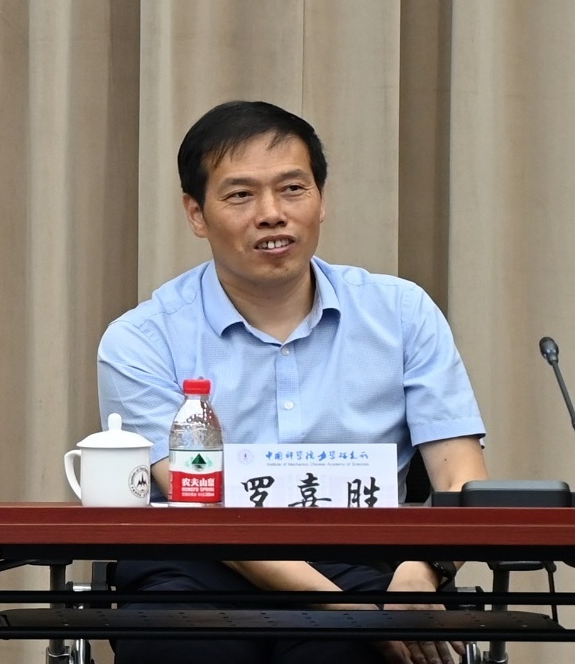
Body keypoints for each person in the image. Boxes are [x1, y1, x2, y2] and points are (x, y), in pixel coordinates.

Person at [98, 100, 489, 664]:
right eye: (240, 195)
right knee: (188, 650)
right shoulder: (142, 339)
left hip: (364, 561)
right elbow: (199, 503)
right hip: (195, 568)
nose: (272, 214)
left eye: (292, 189)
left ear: (321, 200)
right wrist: (344, 611)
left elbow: (461, 476)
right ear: (196, 214)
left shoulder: (402, 314)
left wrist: (424, 568)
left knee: (343, 658)